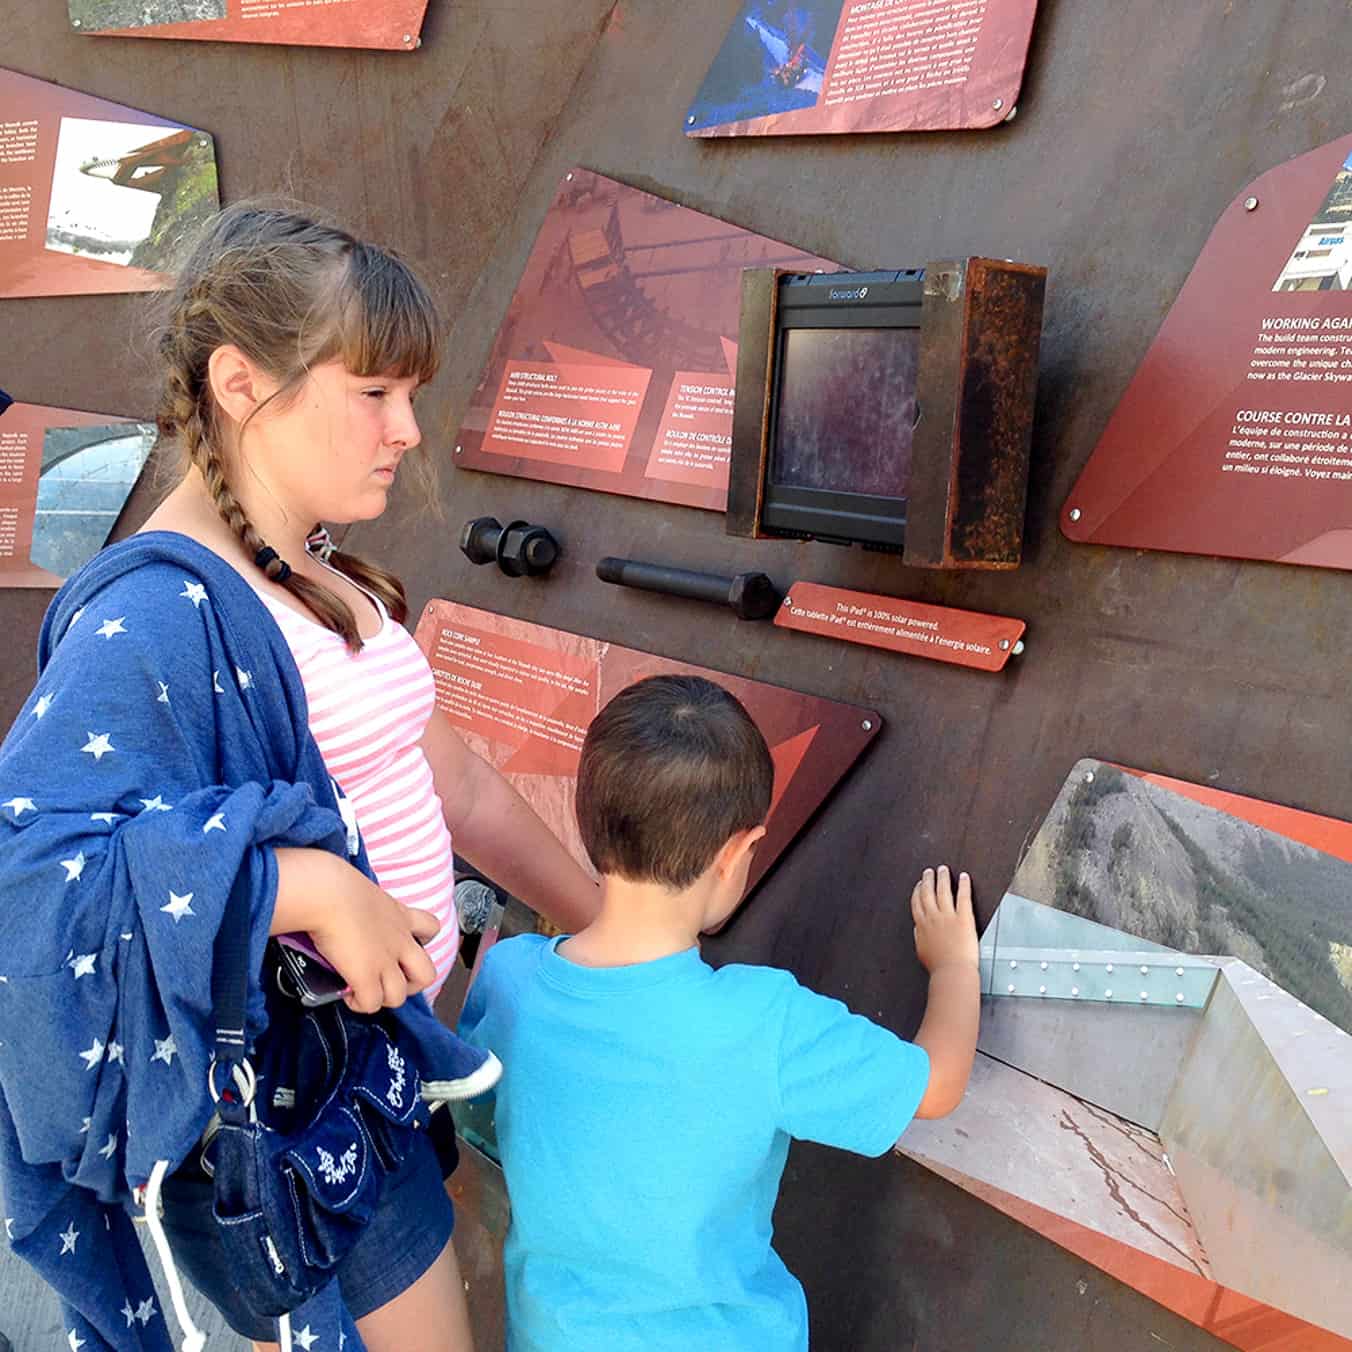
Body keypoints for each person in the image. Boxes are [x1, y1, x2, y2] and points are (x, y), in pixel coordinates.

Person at [0, 205, 598, 1352]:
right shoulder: (154, 613)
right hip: (300, 1114)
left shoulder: (318, 573)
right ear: (240, 382)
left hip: (391, 1070)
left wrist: (609, 925)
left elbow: (453, 780)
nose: (407, 430)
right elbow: (34, 873)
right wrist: (309, 887)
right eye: (373, 393)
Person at [460, 674, 982, 1352]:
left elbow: (481, 1121)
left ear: (586, 821)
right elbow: (936, 1086)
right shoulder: (765, 1023)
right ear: (737, 853)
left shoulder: (506, 978)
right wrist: (953, 967)